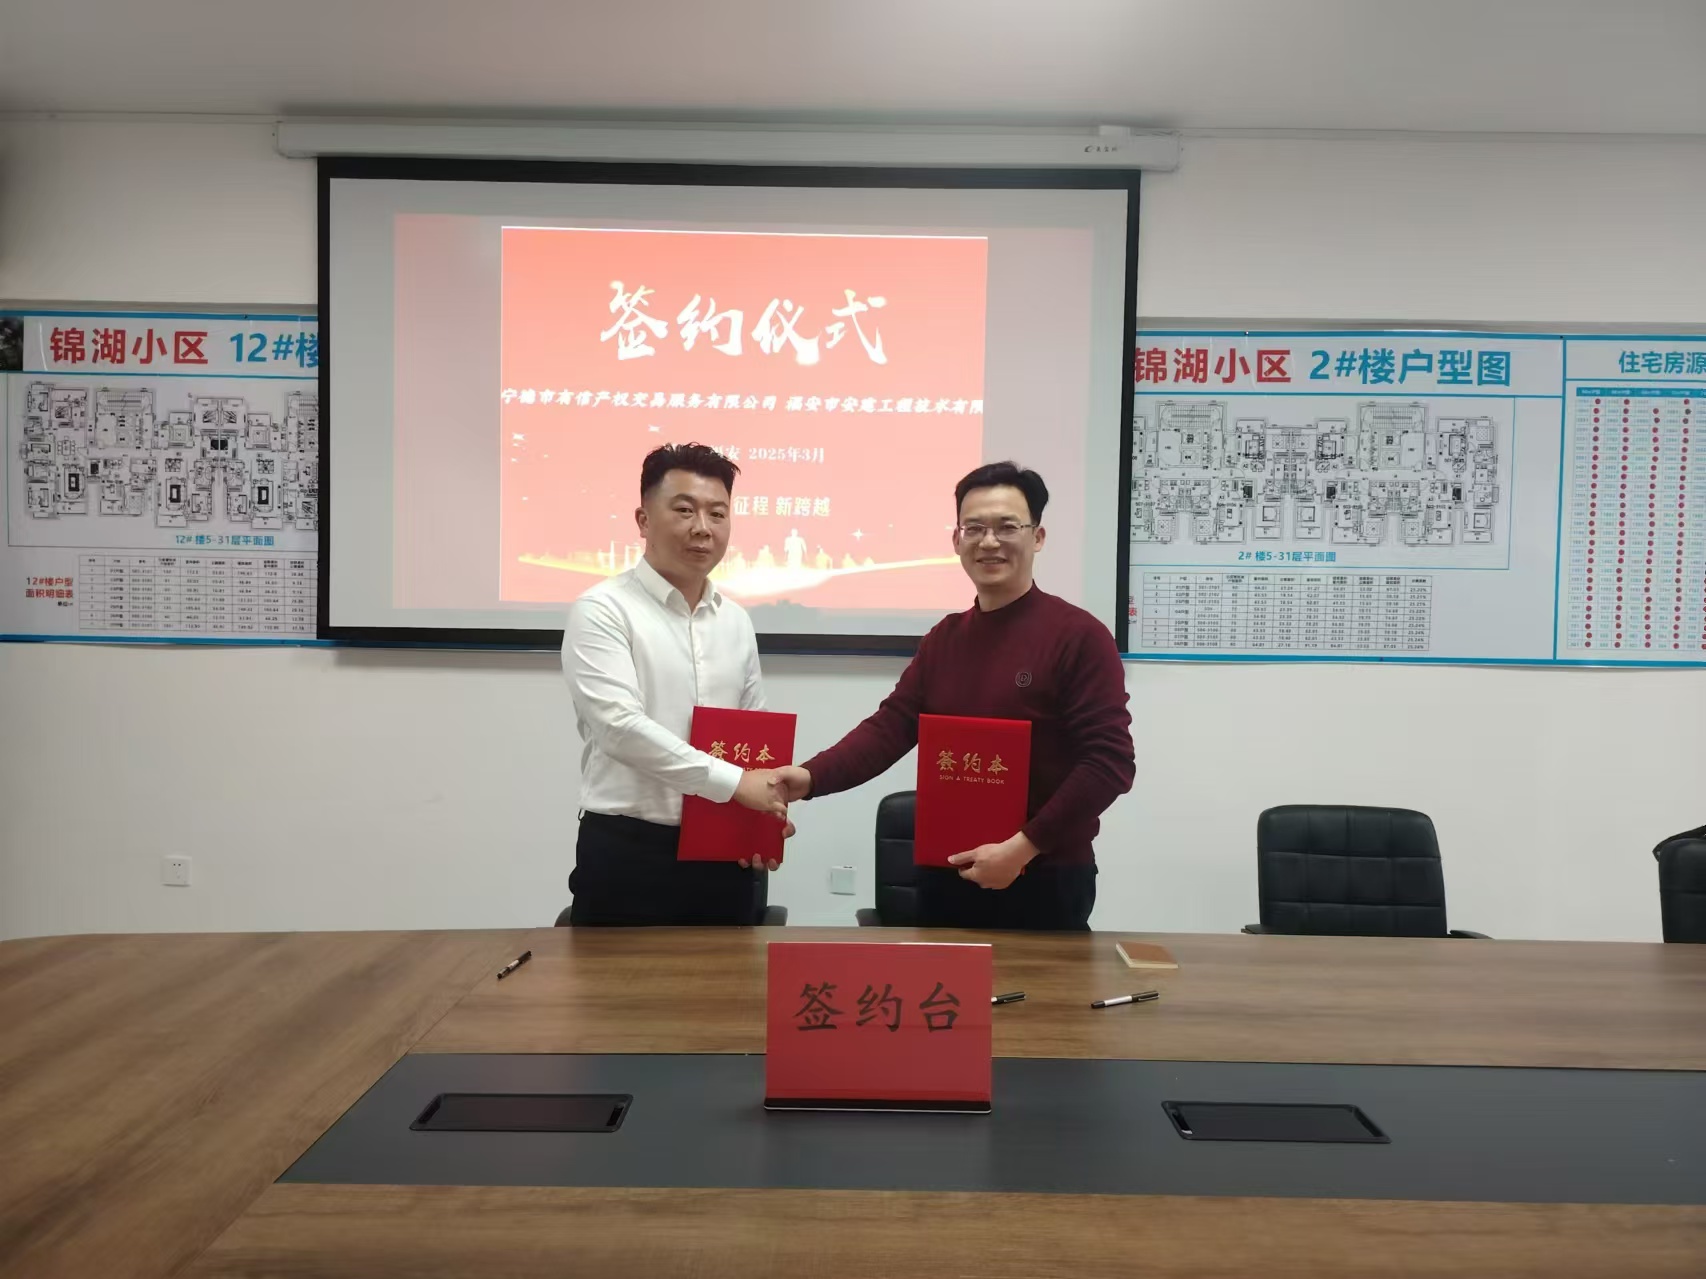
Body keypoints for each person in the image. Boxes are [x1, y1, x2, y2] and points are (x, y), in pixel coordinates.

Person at [777, 462, 1134, 930]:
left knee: (1039, 984)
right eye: (974, 528)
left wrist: (1022, 848)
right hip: (945, 873)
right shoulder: (944, 639)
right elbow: (889, 729)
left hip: (1043, 876)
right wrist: (808, 778)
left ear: (1038, 537)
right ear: (956, 540)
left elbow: (1109, 762)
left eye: (1007, 527)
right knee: (942, 982)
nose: (989, 541)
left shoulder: (1079, 636)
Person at [562, 443, 789, 926]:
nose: (702, 528)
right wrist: (736, 785)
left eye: (717, 513)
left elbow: (752, 733)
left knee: (724, 977)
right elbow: (619, 728)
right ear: (643, 520)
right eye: (684, 510)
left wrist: (761, 818)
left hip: (722, 848)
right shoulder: (603, 609)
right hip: (629, 850)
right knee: (612, 978)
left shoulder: (736, 621)